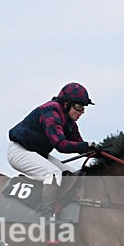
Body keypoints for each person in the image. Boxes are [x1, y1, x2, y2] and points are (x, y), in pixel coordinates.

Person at [7, 82, 98, 216]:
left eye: (84, 107)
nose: (82, 112)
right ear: (66, 104)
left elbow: (79, 145)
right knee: (54, 174)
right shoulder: (51, 112)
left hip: (38, 154)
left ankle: (63, 210)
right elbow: (61, 145)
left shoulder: (70, 122)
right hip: (19, 152)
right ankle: (46, 216)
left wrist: (101, 153)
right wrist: (86, 146)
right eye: (79, 106)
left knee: (73, 175)